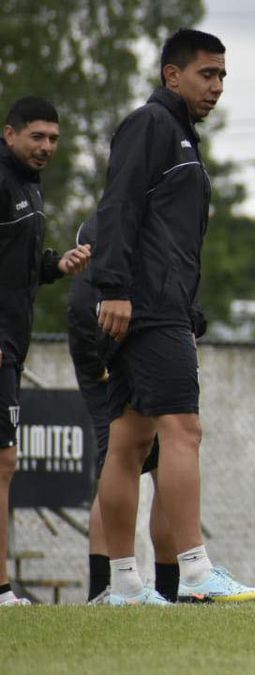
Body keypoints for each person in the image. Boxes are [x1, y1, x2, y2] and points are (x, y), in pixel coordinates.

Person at [92, 28, 255, 605]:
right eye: (206, 74)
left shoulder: (180, 136)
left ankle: (122, 585)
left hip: (161, 306)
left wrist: (189, 307)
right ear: (173, 75)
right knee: (183, 430)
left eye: (222, 77)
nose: (216, 86)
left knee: (130, 440)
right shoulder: (152, 125)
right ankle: (195, 571)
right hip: (147, 306)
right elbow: (117, 206)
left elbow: (167, 231)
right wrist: (114, 286)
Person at [0, 97, 91, 607]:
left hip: (13, 343)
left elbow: (19, 265)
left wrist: (58, 265)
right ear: (9, 134)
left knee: (4, 463)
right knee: (3, 462)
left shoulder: (28, 184)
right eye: (37, 137)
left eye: (53, 139)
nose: (46, 147)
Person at [67, 215, 179, 605]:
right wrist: (104, 362)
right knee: (117, 458)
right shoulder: (110, 223)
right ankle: (104, 586)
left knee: (165, 463)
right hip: (112, 362)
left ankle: (171, 587)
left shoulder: (157, 221)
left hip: (141, 353)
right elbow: (84, 302)